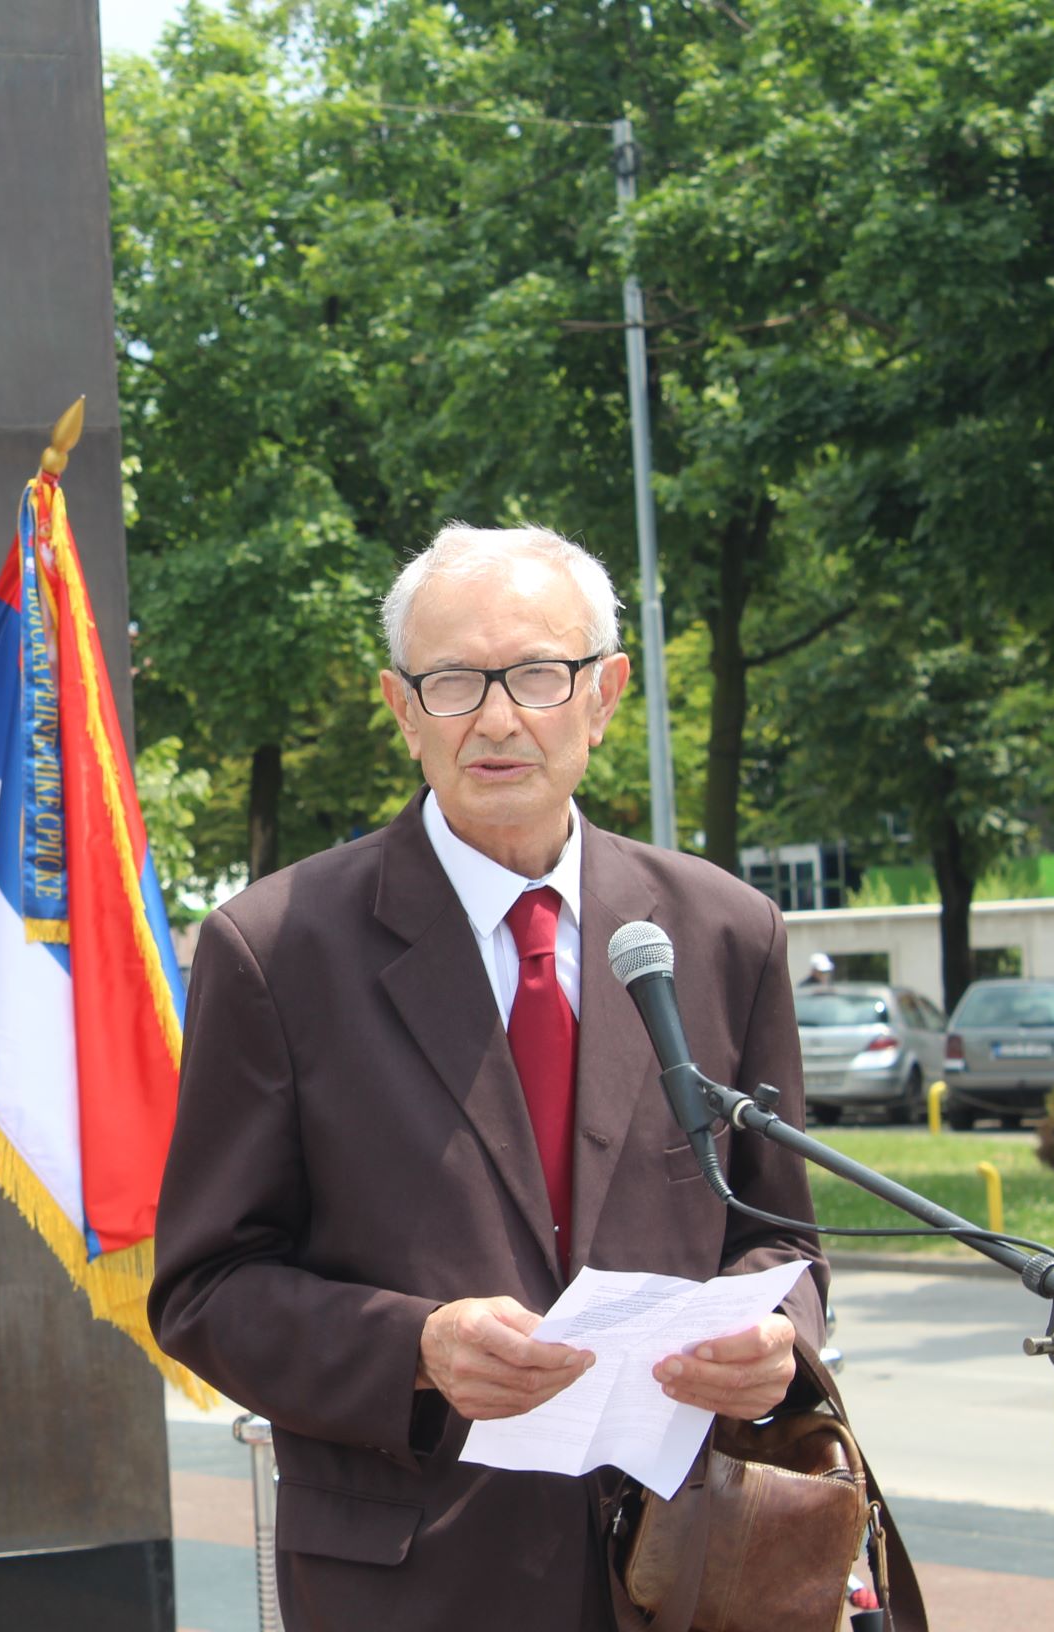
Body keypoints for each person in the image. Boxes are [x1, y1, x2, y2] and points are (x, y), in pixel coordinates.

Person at [150, 526, 836, 1629]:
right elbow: (205, 1292)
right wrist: (412, 1349)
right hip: (416, 1575)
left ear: (604, 695)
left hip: (689, 1563)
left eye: (538, 675)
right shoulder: (276, 949)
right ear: (401, 708)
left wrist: (779, 1343)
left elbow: (777, 1238)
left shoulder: (722, 931)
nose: (498, 718)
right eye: (454, 682)